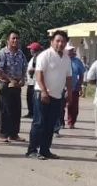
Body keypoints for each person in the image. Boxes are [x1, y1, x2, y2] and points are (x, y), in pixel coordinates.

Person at [26, 31, 71, 159]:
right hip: (42, 93)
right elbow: (39, 74)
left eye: (63, 41)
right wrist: (44, 91)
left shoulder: (66, 58)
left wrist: (69, 92)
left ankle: (45, 150)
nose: (60, 43)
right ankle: (32, 150)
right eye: (58, 40)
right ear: (52, 41)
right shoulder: (45, 55)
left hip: (57, 95)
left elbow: (68, 77)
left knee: (50, 124)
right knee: (39, 122)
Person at [0, 31, 27, 143]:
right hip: (6, 84)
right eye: (13, 38)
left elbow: (24, 68)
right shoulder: (2, 53)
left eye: (17, 38)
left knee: (16, 110)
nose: (15, 40)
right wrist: (10, 79)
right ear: (7, 40)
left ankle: (14, 134)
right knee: (4, 110)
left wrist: (22, 79)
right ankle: (2, 134)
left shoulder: (20, 54)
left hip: (17, 85)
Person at [64, 44, 85, 128]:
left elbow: (81, 74)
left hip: (74, 87)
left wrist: (79, 85)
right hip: (62, 87)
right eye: (69, 50)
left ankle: (71, 122)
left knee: (73, 107)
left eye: (72, 50)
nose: (70, 52)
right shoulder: (61, 59)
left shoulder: (77, 61)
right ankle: (60, 123)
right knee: (60, 106)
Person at [24, 42, 41, 119]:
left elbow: (41, 68)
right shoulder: (33, 57)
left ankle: (34, 113)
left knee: (33, 99)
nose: (30, 50)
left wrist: (33, 70)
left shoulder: (38, 58)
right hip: (30, 82)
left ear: (34, 49)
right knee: (29, 99)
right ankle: (31, 112)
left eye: (31, 49)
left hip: (34, 82)